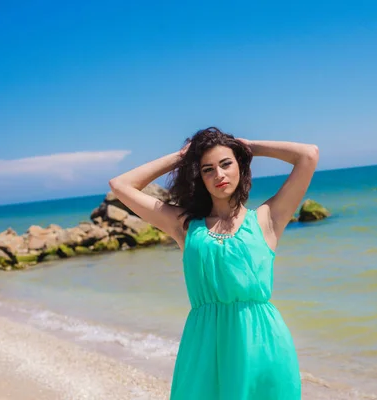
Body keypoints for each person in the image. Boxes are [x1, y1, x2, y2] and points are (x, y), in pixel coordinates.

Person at [108, 127, 319, 399]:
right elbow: (120, 185)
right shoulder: (184, 225)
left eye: (226, 164)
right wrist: (182, 157)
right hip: (203, 347)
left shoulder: (267, 219)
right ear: (200, 177)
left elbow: (308, 155)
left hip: (262, 344)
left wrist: (248, 146)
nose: (219, 174)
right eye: (208, 169)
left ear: (240, 167)